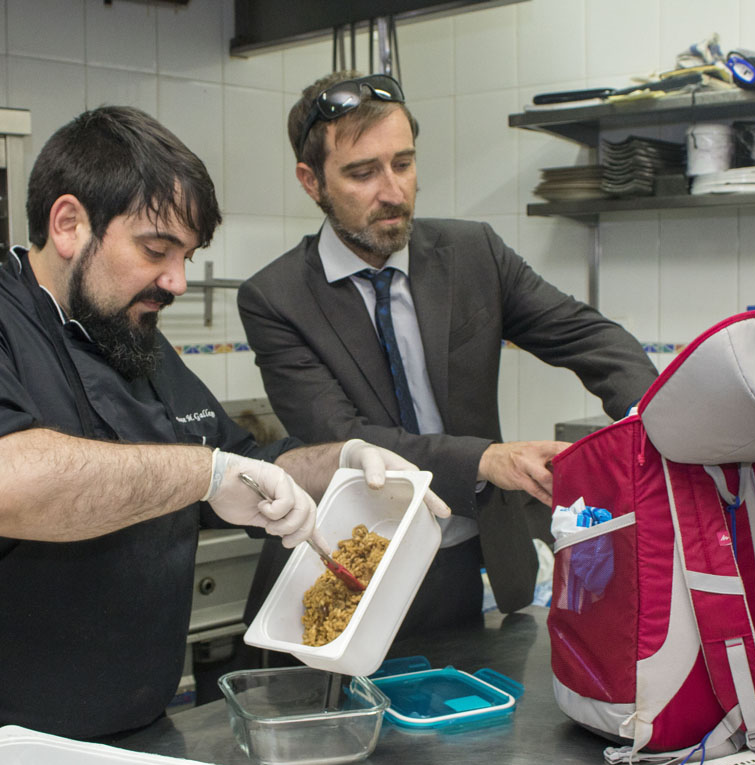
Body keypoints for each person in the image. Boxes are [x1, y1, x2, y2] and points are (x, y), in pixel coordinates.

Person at [0, 105, 447, 765]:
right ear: (70, 224)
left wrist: (341, 462)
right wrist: (205, 474)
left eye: (186, 258)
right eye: (156, 250)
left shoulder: (130, 338)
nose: (176, 281)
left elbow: (249, 463)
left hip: (133, 731)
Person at [237, 72, 659, 635]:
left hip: (466, 561)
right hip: (352, 571)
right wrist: (487, 459)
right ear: (312, 181)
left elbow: (584, 335)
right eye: (363, 173)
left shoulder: (471, 253)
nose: (393, 192)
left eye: (404, 164)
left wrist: (653, 418)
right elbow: (344, 440)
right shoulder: (277, 298)